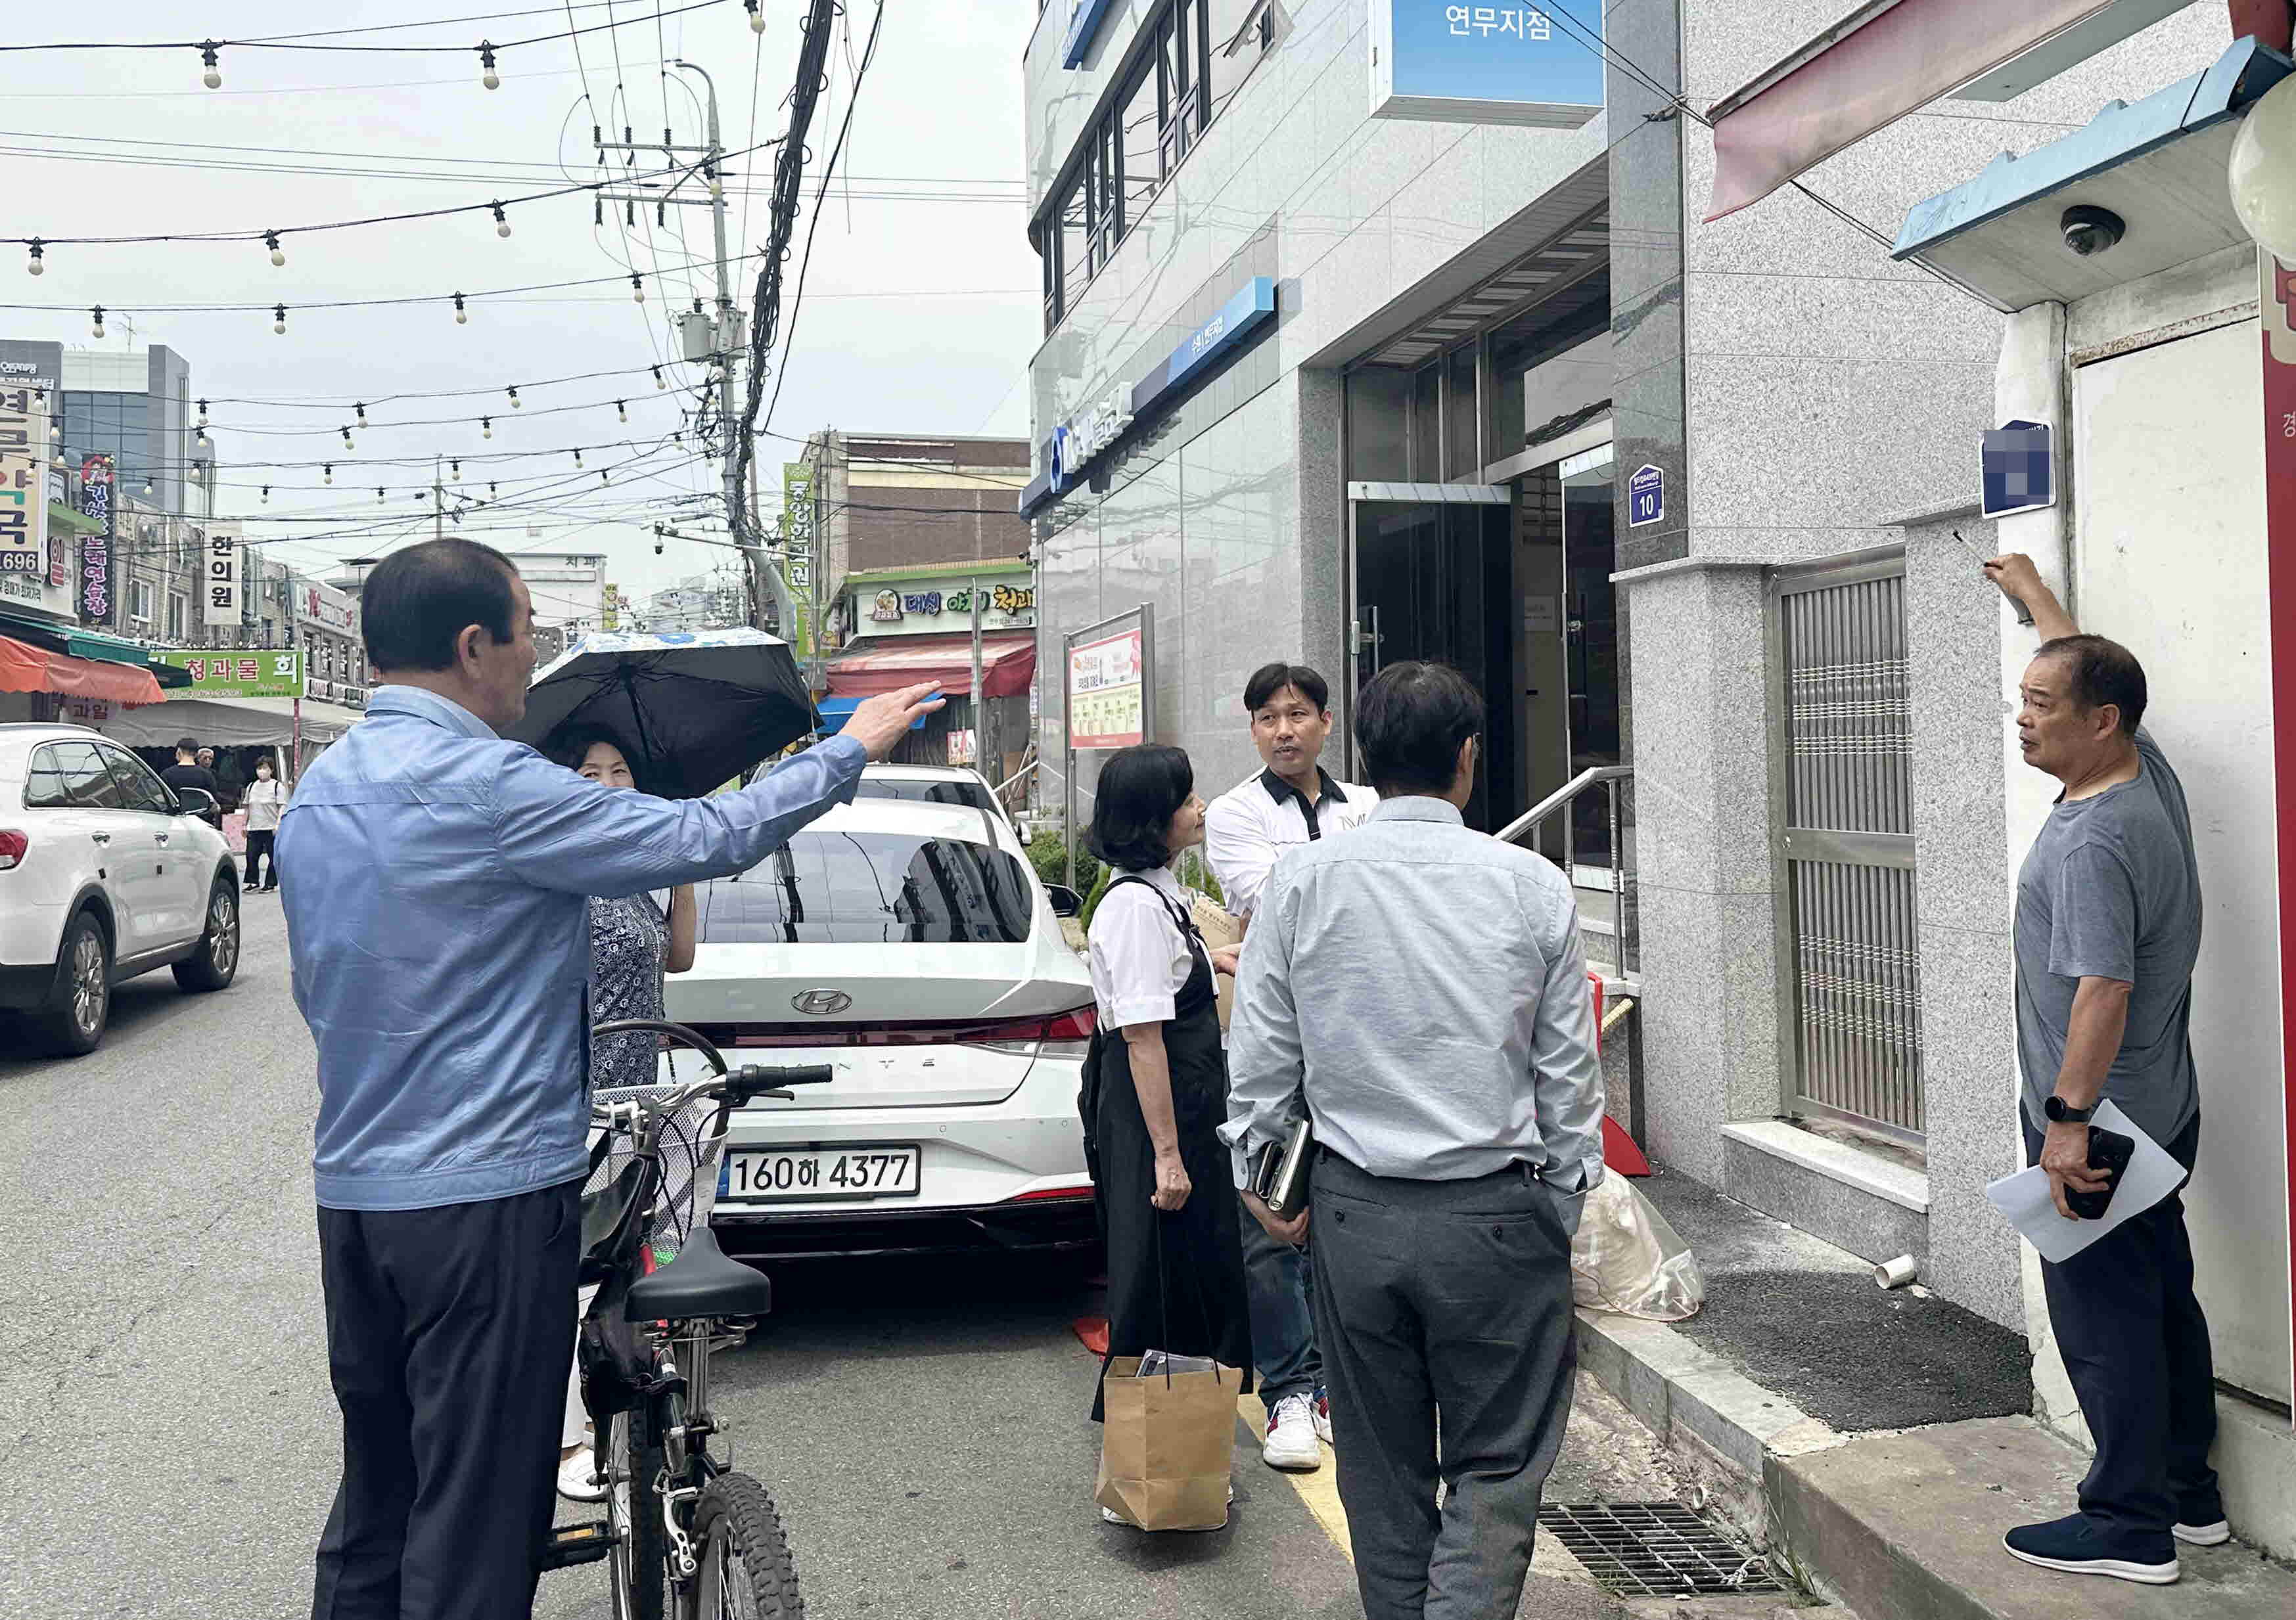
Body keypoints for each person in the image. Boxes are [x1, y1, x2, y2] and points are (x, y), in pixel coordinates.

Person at [275, 537, 940, 1620]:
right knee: (478, 1515)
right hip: (483, 1201)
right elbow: (710, 834)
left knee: (379, 1501)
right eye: (529, 633)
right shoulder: (489, 784)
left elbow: (322, 990)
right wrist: (848, 745)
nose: (533, 661)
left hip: (354, 1196)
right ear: (472, 644)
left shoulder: (322, 788)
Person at [1225, 661, 1603, 1620]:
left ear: (1362, 756)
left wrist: (1264, 1187)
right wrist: (1557, 1201)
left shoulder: (1301, 882)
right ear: (1467, 757)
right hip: (1498, 1216)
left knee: (1382, 1470)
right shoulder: (1533, 885)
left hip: (1355, 1214)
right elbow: (1566, 1077)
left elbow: (1262, 1060)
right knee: (1500, 1461)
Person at [1984, 553, 2218, 1586]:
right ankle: (2188, 1493)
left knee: (2102, 1318)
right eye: (2022, 700)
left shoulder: (2089, 839)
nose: (2022, 717)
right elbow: (2086, 669)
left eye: (2040, 705)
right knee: (2163, 1294)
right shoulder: (2142, 773)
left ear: (2101, 721)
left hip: (2105, 1125)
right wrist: (2038, 603)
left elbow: (2100, 990)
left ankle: (2128, 1522)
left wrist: (2065, 1124)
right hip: (2163, 1110)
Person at [1203, 662, 1377, 1472]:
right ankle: (1290, 1395)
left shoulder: (1366, 808)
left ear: (1326, 723)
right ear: (1252, 729)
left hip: (1358, 1043)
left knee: (1349, 1215)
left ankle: (1344, 1384)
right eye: (1268, 717)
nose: (1283, 730)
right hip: (1275, 1041)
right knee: (1273, 1218)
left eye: (1298, 714)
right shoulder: (1235, 815)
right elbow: (1273, 903)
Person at [1080, 743, 1254, 1525]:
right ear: (1152, 820)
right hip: (1160, 1117)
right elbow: (1142, 1038)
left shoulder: (1156, 895)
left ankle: (1182, 1455)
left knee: (1188, 1277)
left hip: (1180, 1107)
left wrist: (1210, 957)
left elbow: (1161, 986)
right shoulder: (1131, 909)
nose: (1200, 808)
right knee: (1160, 1278)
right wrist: (1169, 1158)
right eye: (1186, 800)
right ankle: (1152, 1468)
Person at [544, 722, 699, 1501]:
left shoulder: (641, 866)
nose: (608, 784)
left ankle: (636, 1382)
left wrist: (684, 870)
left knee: (655, 1252)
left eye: (621, 772)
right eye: (591, 772)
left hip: (647, 1093)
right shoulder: (562, 867)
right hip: (577, 1102)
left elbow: (678, 958)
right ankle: (572, 1438)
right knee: (577, 1272)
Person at [241, 755, 287, 893]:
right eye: (259, 768)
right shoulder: (252, 786)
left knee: (273, 857)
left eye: (265, 768)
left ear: (271, 770)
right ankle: (253, 882)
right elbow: (247, 807)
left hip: (271, 828)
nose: (261, 771)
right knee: (251, 855)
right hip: (254, 827)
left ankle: (270, 884)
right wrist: (244, 824)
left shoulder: (277, 786)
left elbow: (282, 806)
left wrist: (278, 824)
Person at [160, 738, 221, 826]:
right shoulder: (207, 775)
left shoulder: (167, 774)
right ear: (196, 755)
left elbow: (163, 801)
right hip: (202, 825)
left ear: (179, 751)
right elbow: (213, 803)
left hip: (175, 824)